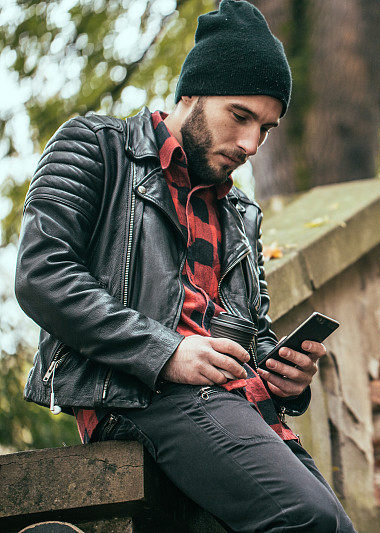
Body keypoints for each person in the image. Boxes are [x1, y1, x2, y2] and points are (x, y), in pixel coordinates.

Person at [14, 1, 357, 531]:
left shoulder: (241, 213)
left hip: (240, 407)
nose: (250, 144)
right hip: (139, 394)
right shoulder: (95, 147)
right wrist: (166, 351)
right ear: (191, 93)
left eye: (265, 128)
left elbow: (248, 326)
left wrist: (283, 371)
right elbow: (42, 276)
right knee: (308, 520)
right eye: (240, 116)